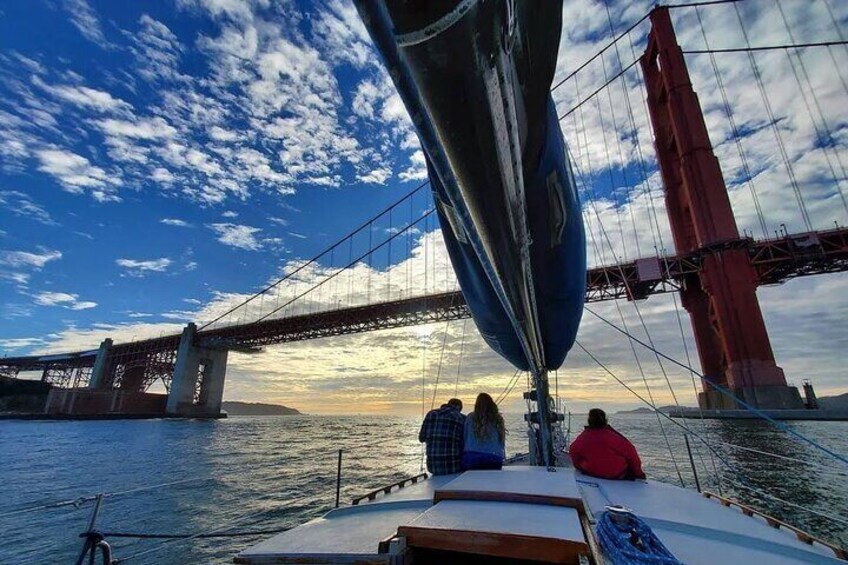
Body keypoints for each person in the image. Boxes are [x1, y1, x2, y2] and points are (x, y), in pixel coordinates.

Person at [569, 408, 645, 480]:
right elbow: (631, 454)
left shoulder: (583, 437)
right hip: (617, 474)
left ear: (589, 421)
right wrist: (639, 474)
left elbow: (573, 450)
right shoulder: (613, 437)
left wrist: (579, 466)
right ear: (605, 420)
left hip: (591, 472)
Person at [419, 398, 465, 475]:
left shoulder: (431, 414)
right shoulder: (461, 418)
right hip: (454, 467)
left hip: (432, 467)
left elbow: (421, 438)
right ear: (459, 408)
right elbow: (464, 442)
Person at [462, 393, 506, 470]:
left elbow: (465, 436)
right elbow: (502, 440)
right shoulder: (498, 419)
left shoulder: (470, 417)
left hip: (472, 456)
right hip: (494, 456)